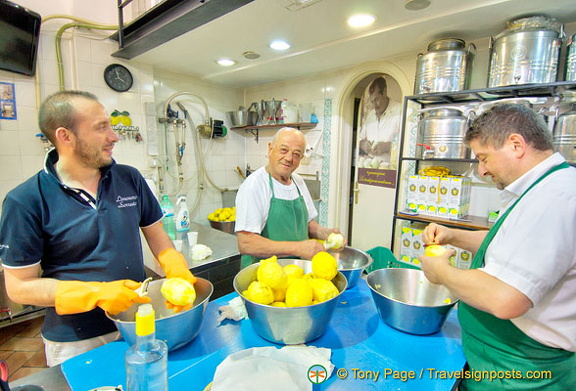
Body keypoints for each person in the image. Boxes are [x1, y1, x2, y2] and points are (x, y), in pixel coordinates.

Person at [0, 91, 196, 367]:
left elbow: (159, 239)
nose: (113, 136)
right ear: (65, 137)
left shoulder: (129, 178)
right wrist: (96, 294)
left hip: (137, 322)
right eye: (101, 128)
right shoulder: (26, 200)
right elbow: (19, 287)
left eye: (110, 126)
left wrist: (177, 270)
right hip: (76, 340)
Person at [418, 104, 576, 390]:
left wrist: (440, 271)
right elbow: (507, 243)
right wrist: (453, 235)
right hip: (495, 362)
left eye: (484, 158)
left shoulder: (554, 198)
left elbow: (506, 298)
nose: (482, 171)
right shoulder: (539, 189)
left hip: (520, 371)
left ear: (516, 144)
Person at [235, 127, 343, 268]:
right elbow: (246, 243)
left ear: (301, 159)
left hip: (297, 271)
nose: (289, 158)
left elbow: (308, 223)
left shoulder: (298, 181)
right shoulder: (255, 185)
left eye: (296, 154)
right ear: (270, 149)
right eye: (283, 150)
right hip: (265, 276)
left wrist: (326, 233)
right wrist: (298, 248)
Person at [357, 76, 402, 168]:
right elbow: (360, 138)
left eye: (376, 99)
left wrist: (387, 146)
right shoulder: (370, 115)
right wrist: (363, 144)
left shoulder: (400, 111)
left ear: (384, 92)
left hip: (391, 169)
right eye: (372, 101)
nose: (374, 105)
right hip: (370, 167)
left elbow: (408, 143)